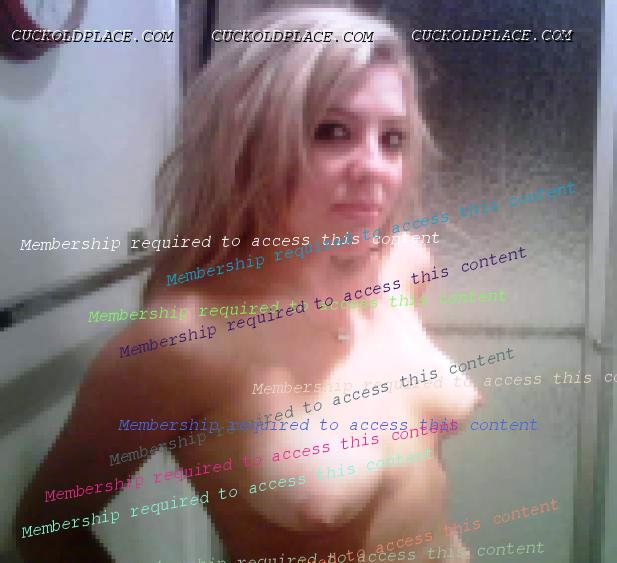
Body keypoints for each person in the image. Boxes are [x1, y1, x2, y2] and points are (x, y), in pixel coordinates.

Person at [15, 6, 479, 562]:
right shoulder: (181, 342)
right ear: (251, 142)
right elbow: (46, 532)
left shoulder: (403, 264)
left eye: (393, 139)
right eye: (332, 132)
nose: (376, 168)